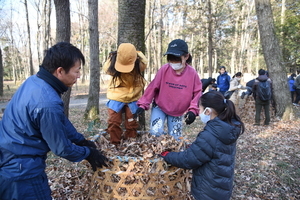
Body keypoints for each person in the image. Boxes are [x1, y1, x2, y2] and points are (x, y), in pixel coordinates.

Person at [0, 42, 108, 200]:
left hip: (9, 162)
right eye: (77, 71)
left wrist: (80, 140)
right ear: (60, 71)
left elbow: (60, 120)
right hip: (23, 174)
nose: (78, 76)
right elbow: (61, 148)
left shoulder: (34, 82)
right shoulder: (47, 101)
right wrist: (88, 153)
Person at [160, 91, 245, 200]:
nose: (199, 113)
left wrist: (167, 155)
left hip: (208, 191)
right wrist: (194, 147)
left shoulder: (211, 134)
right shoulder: (227, 127)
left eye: (199, 109)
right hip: (222, 187)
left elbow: (188, 160)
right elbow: (212, 150)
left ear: (208, 111)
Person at [135, 39, 202, 140]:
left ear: (186, 56)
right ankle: (157, 152)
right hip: (160, 107)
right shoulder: (164, 69)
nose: (173, 62)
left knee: (175, 137)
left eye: (177, 59)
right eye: (171, 58)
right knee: (155, 132)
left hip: (177, 111)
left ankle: (172, 155)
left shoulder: (192, 74)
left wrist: (193, 111)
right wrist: (143, 104)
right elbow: (152, 87)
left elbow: (197, 93)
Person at [103, 43, 147, 145]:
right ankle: (115, 143)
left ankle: (130, 143)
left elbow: (144, 61)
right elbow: (106, 67)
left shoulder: (139, 65)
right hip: (116, 97)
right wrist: (113, 56)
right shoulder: (111, 66)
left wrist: (136, 54)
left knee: (132, 123)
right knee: (113, 122)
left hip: (133, 98)